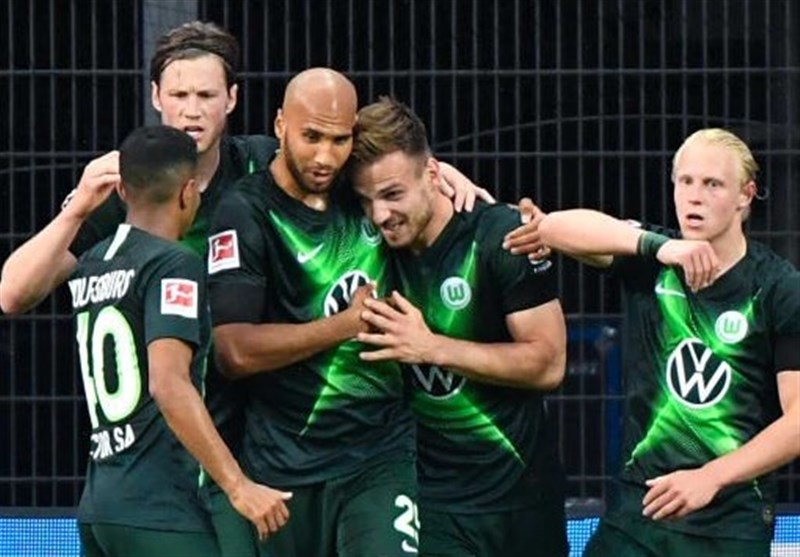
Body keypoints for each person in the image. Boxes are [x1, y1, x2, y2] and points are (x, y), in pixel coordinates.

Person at [536, 128, 800, 557]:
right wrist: (658, 247)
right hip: (637, 517)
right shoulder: (653, 258)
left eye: (713, 184)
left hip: (729, 527)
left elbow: (798, 421)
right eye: (685, 181)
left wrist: (710, 477)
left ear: (745, 195)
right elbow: (552, 227)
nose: (694, 197)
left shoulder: (778, 288)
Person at [208, 68, 423, 557]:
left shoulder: (364, 191)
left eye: (340, 140)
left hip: (379, 455)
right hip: (284, 463)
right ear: (280, 125)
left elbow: (420, 188)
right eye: (312, 137)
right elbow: (233, 352)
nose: (326, 156)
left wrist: (462, 190)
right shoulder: (246, 211)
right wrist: (343, 326)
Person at [345, 97, 569, 557]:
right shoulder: (364, 246)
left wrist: (431, 347)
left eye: (392, 194)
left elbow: (548, 364)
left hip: (522, 497)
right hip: (430, 504)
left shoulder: (503, 236)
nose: (380, 215)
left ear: (432, 174)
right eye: (366, 200)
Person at [69, 125, 290, 557]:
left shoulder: (92, 263)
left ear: (122, 192)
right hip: (161, 511)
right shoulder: (174, 263)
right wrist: (238, 485)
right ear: (189, 192)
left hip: (100, 507)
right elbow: (168, 382)